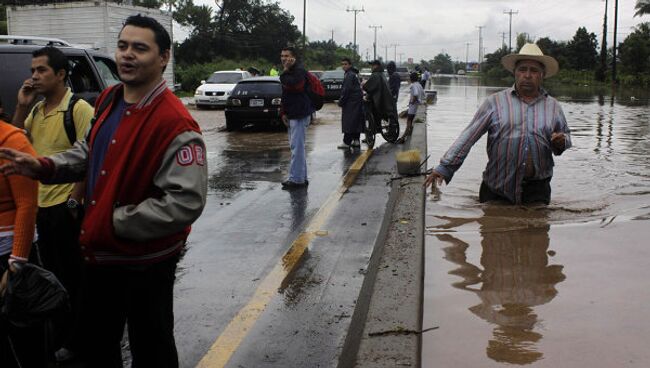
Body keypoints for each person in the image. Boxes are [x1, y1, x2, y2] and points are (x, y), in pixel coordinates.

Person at [0, 15, 208, 367]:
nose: (127, 55)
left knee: (152, 346)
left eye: (140, 48)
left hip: (145, 262)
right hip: (100, 254)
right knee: (95, 345)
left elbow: (184, 201)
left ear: (164, 58)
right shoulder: (111, 98)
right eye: (123, 46)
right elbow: (89, 149)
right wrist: (46, 167)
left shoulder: (176, 122)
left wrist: (114, 221)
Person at [11, 46, 94, 361]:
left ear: (61, 74)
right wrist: (21, 106)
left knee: (73, 276)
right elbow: (16, 141)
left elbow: (89, 154)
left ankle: (78, 341)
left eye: (41, 70)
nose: (34, 76)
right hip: (38, 207)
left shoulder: (78, 108)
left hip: (64, 206)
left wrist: (74, 201)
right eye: (33, 70)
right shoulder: (37, 109)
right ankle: (61, 336)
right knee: (51, 277)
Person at [424, 43, 571, 205]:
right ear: (514, 73)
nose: (527, 75)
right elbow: (469, 136)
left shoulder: (553, 107)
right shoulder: (495, 103)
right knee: (492, 226)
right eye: (522, 69)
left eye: (534, 70)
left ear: (542, 75)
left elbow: (563, 140)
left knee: (537, 228)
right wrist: (445, 167)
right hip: (496, 189)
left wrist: (561, 141)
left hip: (537, 191)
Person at [0, 97, 42, 367]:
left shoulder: (13, 141)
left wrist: (16, 263)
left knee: (24, 336)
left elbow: (27, 204)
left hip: (10, 256)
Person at [279, 46, 312, 189]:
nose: (284, 59)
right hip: (293, 113)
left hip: (300, 114)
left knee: (297, 148)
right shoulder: (292, 72)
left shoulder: (298, 71)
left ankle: (296, 180)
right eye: (282, 56)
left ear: (293, 58)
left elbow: (294, 86)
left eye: (287, 56)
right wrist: (283, 112)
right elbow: (286, 95)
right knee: (297, 148)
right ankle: (301, 178)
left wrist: (285, 71)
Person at [362, 60, 397, 142]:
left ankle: (370, 133)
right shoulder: (382, 74)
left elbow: (369, 87)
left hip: (380, 101)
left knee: (369, 112)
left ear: (376, 66)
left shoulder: (375, 75)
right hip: (386, 100)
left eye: (372, 65)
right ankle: (376, 129)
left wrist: (364, 87)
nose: (371, 67)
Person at [337, 57, 364, 149]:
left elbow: (346, 90)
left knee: (349, 121)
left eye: (345, 64)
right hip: (357, 101)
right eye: (342, 64)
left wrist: (341, 101)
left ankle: (346, 142)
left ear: (350, 65)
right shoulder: (354, 74)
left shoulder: (349, 75)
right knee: (356, 121)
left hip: (351, 102)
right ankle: (356, 140)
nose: (343, 66)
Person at [396, 72, 425, 144]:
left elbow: (415, 94)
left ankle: (403, 137)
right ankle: (408, 134)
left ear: (411, 78)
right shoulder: (419, 85)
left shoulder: (413, 86)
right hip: (418, 107)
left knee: (408, 122)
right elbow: (423, 94)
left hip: (413, 108)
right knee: (410, 122)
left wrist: (412, 101)